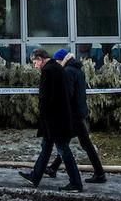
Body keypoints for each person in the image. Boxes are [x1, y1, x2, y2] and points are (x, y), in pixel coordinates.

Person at [20, 48, 83, 192]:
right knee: (46, 147)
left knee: (63, 150)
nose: (35, 65)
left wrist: (42, 113)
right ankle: (35, 176)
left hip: (54, 120)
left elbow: (45, 96)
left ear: (41, 59)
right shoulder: (58, 68)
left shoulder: (48, 71)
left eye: (35, 62)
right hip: (59, 118)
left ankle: (75, 183)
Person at [45, 49, 107, 184]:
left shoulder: (67, 71)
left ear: (61, 60)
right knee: (65, 142)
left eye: (57, 62)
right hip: (79, 111)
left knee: (81, 144)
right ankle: (53, 168)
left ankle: (100, 173)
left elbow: (67, 94)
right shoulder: (77, 69)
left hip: (73, 114)